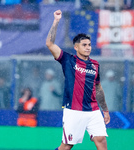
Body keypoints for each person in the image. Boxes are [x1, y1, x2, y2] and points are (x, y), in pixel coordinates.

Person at [46, 10, 110, 150]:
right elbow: (50, 44)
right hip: (74, 110)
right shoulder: (68, 60)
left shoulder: (95, 65)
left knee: (101, 140)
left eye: (89, 45)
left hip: (93, 110)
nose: (88, 48)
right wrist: (56, 21)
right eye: (84, 45)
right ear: (76, 47)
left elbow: (98, 88)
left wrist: (104, 110)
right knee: (67, 146)